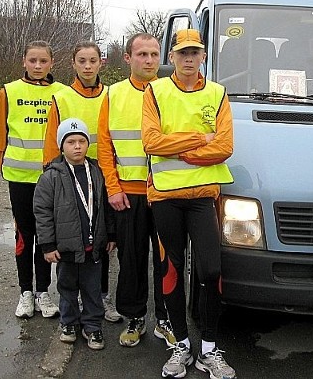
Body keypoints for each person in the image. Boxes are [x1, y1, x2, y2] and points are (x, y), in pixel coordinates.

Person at [141, 29, 236, 379]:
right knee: (172, 270)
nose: (189, 58)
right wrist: (198, 140)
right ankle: (180, 343)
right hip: (165, 196)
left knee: (211, 270)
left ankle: (209, 350)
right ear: (172, 58)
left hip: (202, 198)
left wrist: (178, 148)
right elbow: (151, 142)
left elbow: (224, 147)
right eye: (182, 53)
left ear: (204, 57)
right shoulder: (156, 91)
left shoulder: (218, 93)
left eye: (195, 52)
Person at [97, 33, 174, 347]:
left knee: (168, 259)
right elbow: (104, 146)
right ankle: (135, 318)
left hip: (167, 192)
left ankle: (166, 318)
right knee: (131, 260)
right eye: (142, 54)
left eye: (154, 54)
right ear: (127, 58)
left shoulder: (172, 92)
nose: (149, 60)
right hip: (128, 194)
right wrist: (113, 189)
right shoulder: (114, 94)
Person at [43, 41, 121, 323]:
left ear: (102, 63)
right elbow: (52, 143)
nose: (88, 66)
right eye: (82, 61)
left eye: (93, 60)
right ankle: (72, 298)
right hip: (71, 177)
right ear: (73, 64)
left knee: (101, 240)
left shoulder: (113, 95)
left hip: (104, 176)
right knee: (74, 238)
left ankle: (101, 296)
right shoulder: (62, 97)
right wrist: (53, 175)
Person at [0, 40, 65, 319]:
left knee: (47, 237)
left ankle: (44, 292)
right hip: (19, 178)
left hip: (51, 179)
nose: (37, 66)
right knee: (24, 235)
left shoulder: (62, 93)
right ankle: (25, 293)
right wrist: (5, 166)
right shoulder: (8, 92)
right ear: (23, 61)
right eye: (32, 60)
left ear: (51, 63)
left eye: (43, 61)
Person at [34, 118, 116, 351]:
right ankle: (68, 323)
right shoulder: (51, 176)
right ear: (62, 145)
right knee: (67, 287)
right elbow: (42, 212)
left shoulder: (97, 172)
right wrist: (48, 245)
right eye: (71, 142)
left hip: (94, 247)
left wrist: (111, 234)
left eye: (82, 141)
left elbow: (106, 206)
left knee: (92, 288)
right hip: (66, 247)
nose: (77, 146)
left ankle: (92, 325)